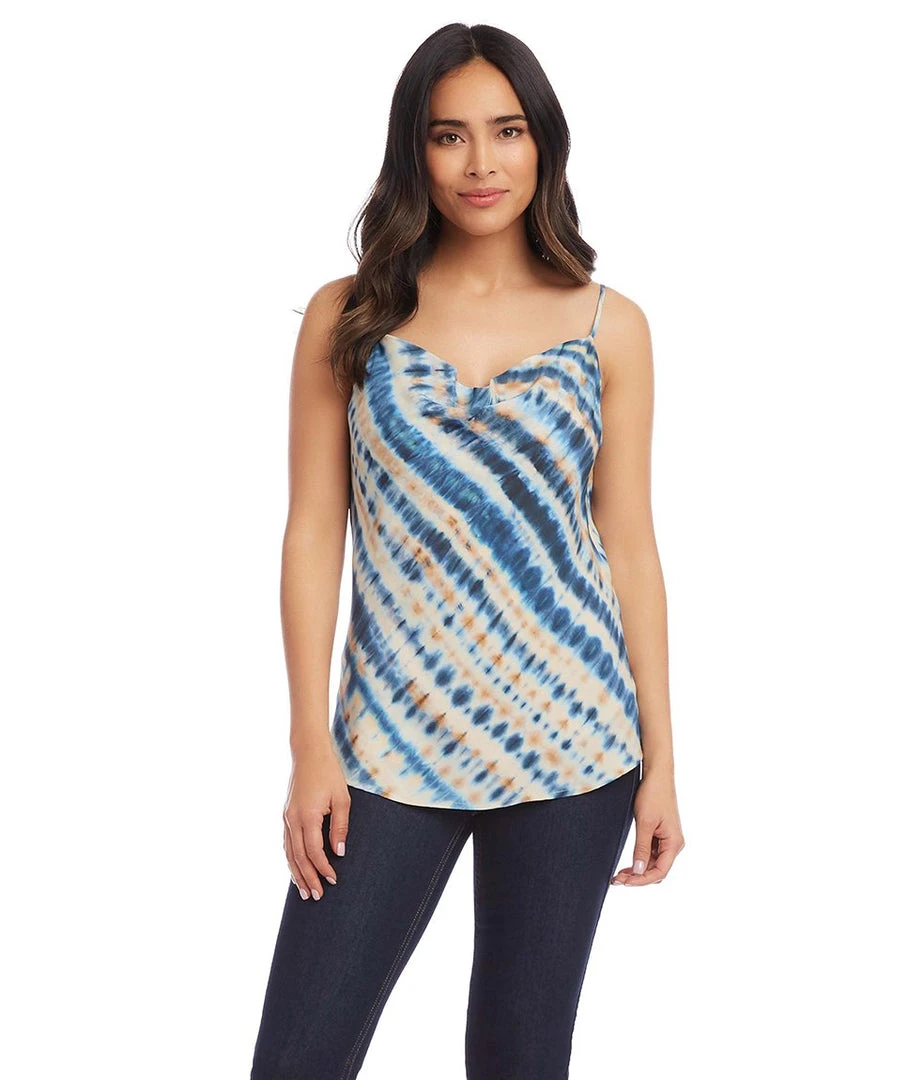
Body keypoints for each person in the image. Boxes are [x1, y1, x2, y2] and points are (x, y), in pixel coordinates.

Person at [250, 21, 684, 1080]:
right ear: (415, 150)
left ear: (544, 144)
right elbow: (313, 531)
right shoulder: (348, 316)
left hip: (575, 743)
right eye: (449, 135)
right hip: (387, 743)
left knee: (518, 1058)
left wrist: (663, 763)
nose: (481, 163)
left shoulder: (609, 325)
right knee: (299, 1057)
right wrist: (310, 744)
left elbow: (629, 545)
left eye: (508, 130)